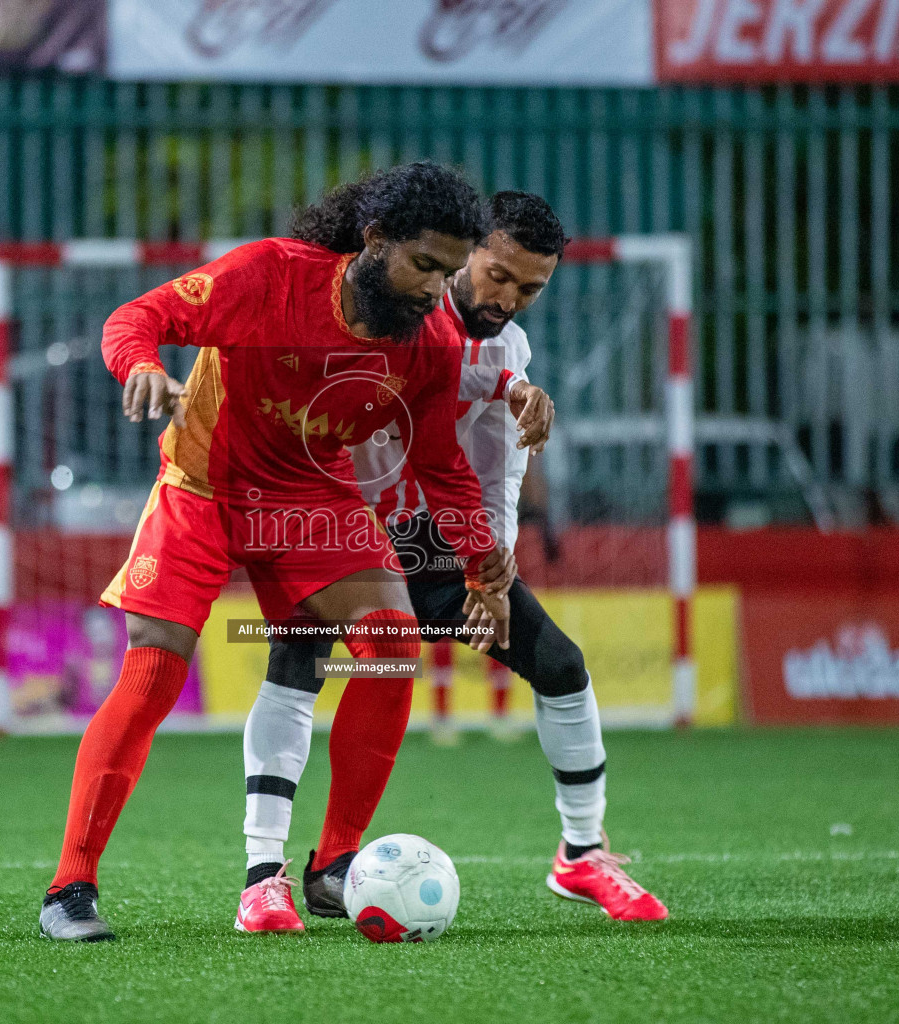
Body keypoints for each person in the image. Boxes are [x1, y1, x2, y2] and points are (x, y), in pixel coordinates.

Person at [38, 162, 514, 942]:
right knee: (155, 667)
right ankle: (71, 887)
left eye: (448, 272)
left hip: (312, 500)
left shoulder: (429, 340)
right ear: (373, 240)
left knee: (393, 645)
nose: (436, 290)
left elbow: (439, 464)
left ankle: (333, 865)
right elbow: (135, 318)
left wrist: (477, 563)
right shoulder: (268, 276)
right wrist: (145, 368)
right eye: (423, 266)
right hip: (203, 488)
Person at [234, 192, 668, 933]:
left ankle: (582, 854)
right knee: (295, 664)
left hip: (440, 546)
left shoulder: (511, 350)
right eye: (499, 275)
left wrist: (491, 576)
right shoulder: (381, 312)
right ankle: (263, 876)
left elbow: (495, 469)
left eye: (530, 289)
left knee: (560, 665)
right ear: (466, 251)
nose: (508, 297)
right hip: (341, 529)